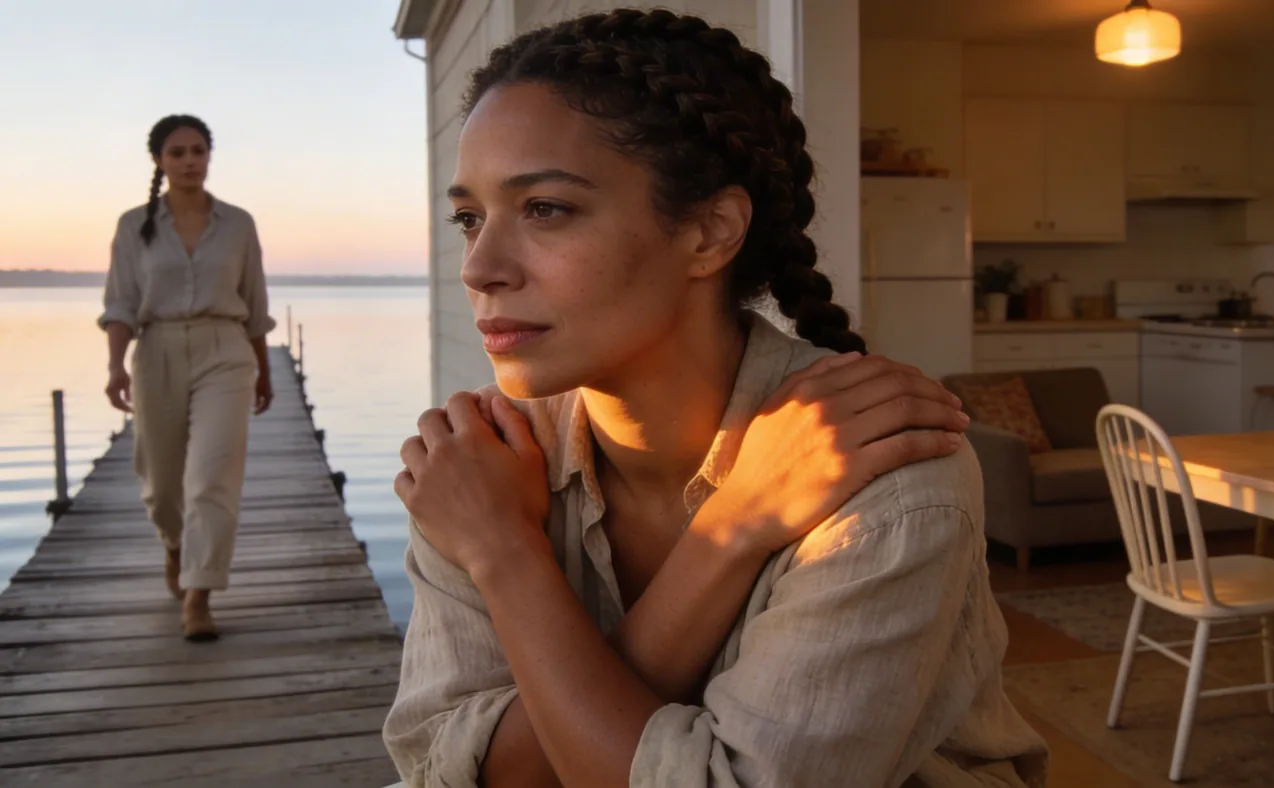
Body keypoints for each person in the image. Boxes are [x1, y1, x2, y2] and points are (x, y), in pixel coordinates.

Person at [383, 8, 1049, 787]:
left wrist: (504, 556)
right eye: (470, 218)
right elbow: (445, 769)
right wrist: (727, 535)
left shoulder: (885, 476)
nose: (479, 266)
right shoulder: (476, 470)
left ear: (709, 231)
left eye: (545, 209)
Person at [99, 114, 276, 642]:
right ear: (159, 160)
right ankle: (175, 548)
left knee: (212, 477)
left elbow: (256, 303)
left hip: (225, 349)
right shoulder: (135, 225)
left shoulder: (238, 223)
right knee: (161, 484)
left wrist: (264, 371)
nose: (189, 161)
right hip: (156, 352)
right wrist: (114, 366)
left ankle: (199, 594)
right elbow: (121, 303)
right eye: (177, 152)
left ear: (209, 156)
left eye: (197, 150)